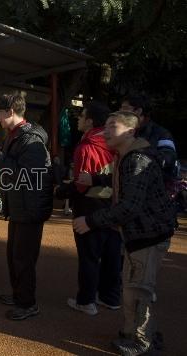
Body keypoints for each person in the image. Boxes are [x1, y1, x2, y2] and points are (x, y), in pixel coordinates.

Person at [73, 111, 176, 355]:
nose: (106, 131)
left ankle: (144, 343)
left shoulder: (136, 159)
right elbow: (118, 181)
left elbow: (130, 206)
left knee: (138, 291)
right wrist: (97, 178)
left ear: (130, 131)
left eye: (113, 126)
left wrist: (91, 221)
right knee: (132, 288)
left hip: (147, 235)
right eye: (106, 125)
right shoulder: (125, 157)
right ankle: (137, 333)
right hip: (140, 234)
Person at [0, 91, 53, 320]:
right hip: (21, 206)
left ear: (10, 112)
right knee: (14, 255)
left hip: (30, 208)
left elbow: (27, 176)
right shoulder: (16, 135)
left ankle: (27, 303)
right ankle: (20, 295)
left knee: (23, 258)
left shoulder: (30, 140)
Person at [63, 102, 122, 315]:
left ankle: (86, 300)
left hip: (89, 205)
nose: (78, 119)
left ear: (89, 121)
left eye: (81, 116)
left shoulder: (87, 146)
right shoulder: (116, 143)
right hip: (115, 206)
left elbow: (81, 183)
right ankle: (110, 297)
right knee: (112, 254)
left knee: (89, 256)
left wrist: (65, 189)